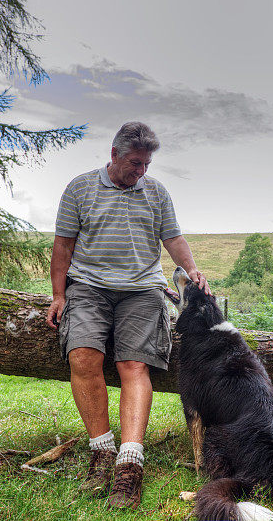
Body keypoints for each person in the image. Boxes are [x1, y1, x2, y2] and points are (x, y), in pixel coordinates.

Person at [45, 122, 209, 510]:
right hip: (88, 286)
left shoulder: (156, 192)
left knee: (134, 364)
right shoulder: (79, 188)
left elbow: (173, 238)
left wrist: (191, 270)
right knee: (84, 357)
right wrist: (57, 294)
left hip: (142, 289)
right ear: (114, 154)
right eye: (135, 163)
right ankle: (101, 453)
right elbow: (63, 245)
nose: (142, 171)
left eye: (147, 163)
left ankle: (129, 464)